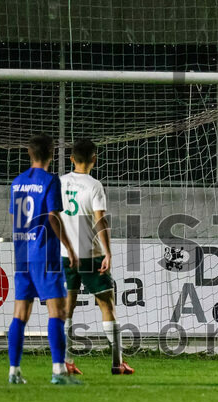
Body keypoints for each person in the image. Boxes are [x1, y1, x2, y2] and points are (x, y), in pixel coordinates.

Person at [7, 134, 81, 385]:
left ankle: (14, 371)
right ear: (51, 154)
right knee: (57, 311)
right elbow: (52, 217)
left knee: (20, 313)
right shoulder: (50, 181)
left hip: (22, 255)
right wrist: (69, 248)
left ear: (29, 154)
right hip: (44, 255)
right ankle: (59, 371)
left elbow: (16, 218)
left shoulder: (17, 183)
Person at [59, 139, 134, 376]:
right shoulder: (94, 186)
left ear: (71, 159)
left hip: (66, 252)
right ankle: (117, 363)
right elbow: (100, 220)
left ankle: (66, 362)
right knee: (107, 304)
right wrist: (108, 252)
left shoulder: (59, 182)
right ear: (94, 159)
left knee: (67, 308)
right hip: (89, 253)